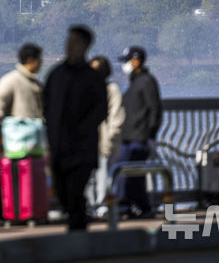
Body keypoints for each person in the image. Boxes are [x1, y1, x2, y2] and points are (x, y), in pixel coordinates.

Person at [43, 25, 107, 231]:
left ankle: (77, 231)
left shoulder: (93, 77)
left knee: (75, 190)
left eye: (75, 43)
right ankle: (78, 222)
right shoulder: (56, 74)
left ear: (86, 46)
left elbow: (101, 109)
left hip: (82, 148)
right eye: (68, 42)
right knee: (62, 193)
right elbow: (45, 104)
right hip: (59, 147)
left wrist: (82, 129)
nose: (69, 46)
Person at [116, 45, 162, 219]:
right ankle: (142, 207)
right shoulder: (135, 82)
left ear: (136, 60)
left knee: (128, 173)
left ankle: (124, 207)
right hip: (129, 137)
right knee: (134, 175)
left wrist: (151, 135)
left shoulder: (147, 81)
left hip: (139, 137)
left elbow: (155, 109)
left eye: (127, 61)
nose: (125, 65)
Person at [85, 55, 125, 216]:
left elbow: (117, 116)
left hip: (104, 140)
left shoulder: (111, 89)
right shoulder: (86, 89)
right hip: (87, 140)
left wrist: (111, 136)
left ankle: (101, 204)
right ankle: (89, 204)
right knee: (89, 175)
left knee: (102, 174)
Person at [0, 43, 43, 120]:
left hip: (37, 128)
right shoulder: (12, 79)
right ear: (30, 60)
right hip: (18, 128)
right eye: (39, 59)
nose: (41, 63)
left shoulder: (37, 83)